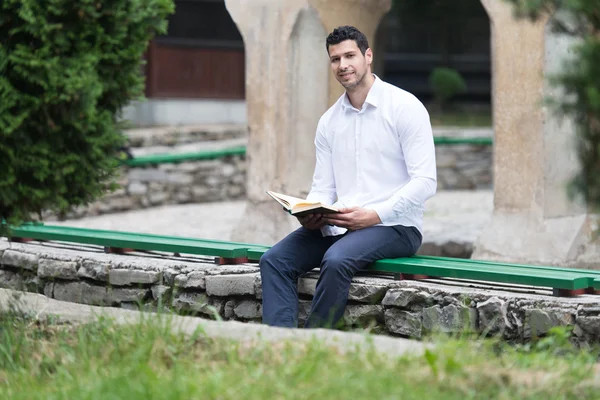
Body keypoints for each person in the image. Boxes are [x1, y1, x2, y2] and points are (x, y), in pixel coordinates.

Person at [259, 25, 437, 329]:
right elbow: (324, 187)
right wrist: (313, 212)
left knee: (337, 260)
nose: (343, 65)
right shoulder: (329, 121)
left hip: (395, 226)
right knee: (274, 260)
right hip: (340, 225)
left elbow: (426, 181)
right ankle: (281, 345)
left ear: (368, 56)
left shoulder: (405, 107)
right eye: (335, 59)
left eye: (350, 56)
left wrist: (374, 215)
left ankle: (315, 345)